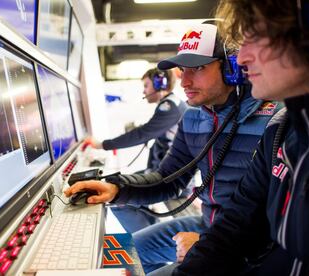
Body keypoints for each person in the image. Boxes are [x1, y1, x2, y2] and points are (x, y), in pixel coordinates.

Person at [65, 22, 283, 273]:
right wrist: (116, 188)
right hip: (207, 224)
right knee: (114, 255)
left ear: (232, 67)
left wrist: (205, 246)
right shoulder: (193, 117)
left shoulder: (273, 120)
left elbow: (280, 223)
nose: (184, 82)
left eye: (198, 68)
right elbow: (168, 179)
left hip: (248, 247)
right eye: (182, 70)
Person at [162, 0, 309, 275]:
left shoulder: (274, 120)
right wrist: (118, 188)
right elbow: (236, 224)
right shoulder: (281, 130)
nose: (242, 58)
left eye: (254, 38)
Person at [85, 68, 187, 173]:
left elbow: (142, 134)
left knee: (121, 184)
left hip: (174, 175)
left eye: (146, 86)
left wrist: (101, 145)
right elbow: (151, 128)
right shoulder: (173, 103)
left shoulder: (169, 107)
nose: (144, 91)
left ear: (159, 84)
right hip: (166, 168)